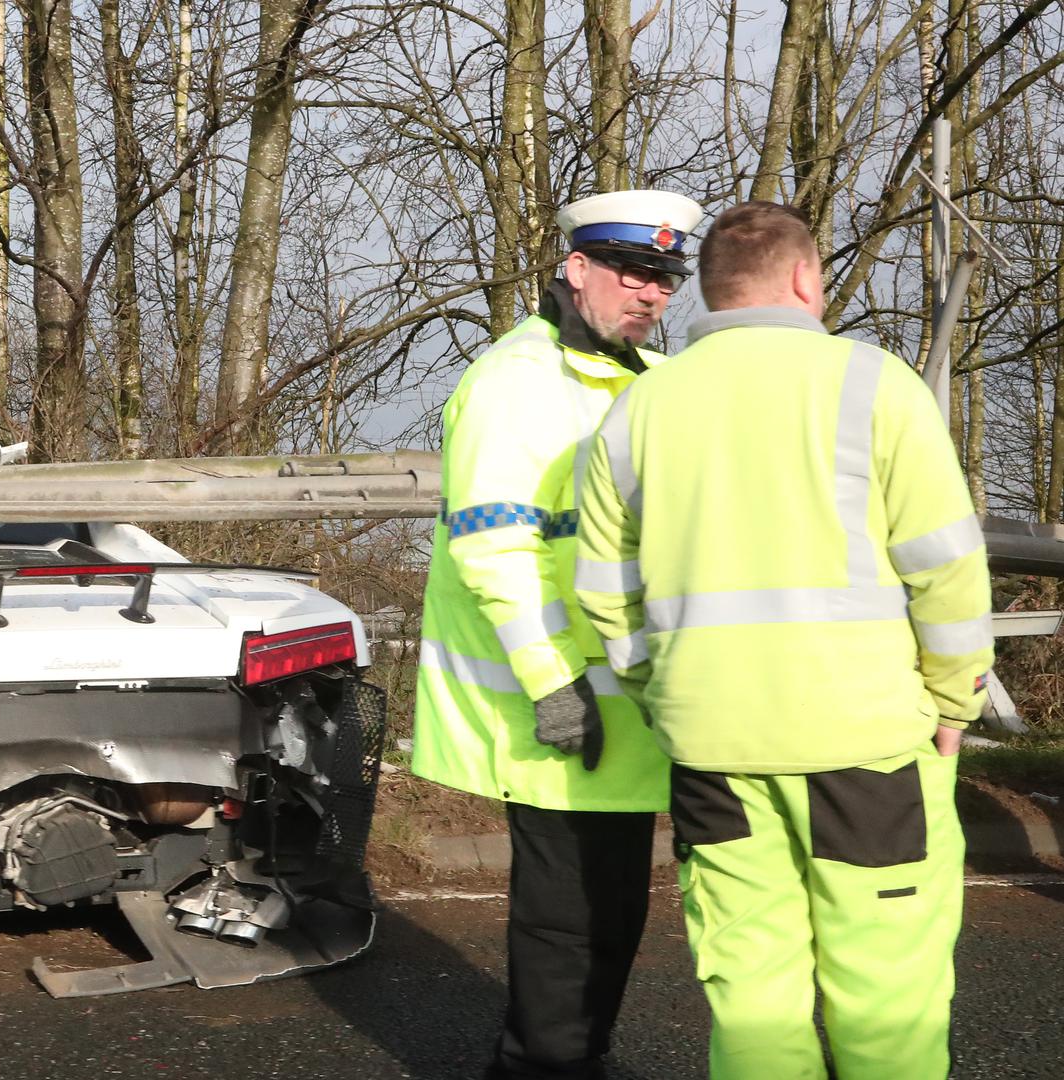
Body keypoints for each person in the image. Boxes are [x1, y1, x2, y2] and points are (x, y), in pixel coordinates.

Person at [574, 201, 992, 1080]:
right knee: (885, 994)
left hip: (713, 745)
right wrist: (954, 699)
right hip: (867, 744)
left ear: (708, 292)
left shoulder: (636, 411)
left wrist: (663, 690)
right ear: (806, 279)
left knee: (752, 991)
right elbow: (946, 569)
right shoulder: (876, 386)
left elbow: (607, 593)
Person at [413, 189, 702, 1079]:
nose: (650, 294)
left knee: (610, 911)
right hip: (556, 706)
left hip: (620, 706)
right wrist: (554, 683)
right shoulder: (520, 382)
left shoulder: (643, 378)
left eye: (664, 276)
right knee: (569, 919)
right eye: (632, 272)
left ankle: (576, 1058)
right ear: (576, 270)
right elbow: (497, 550)